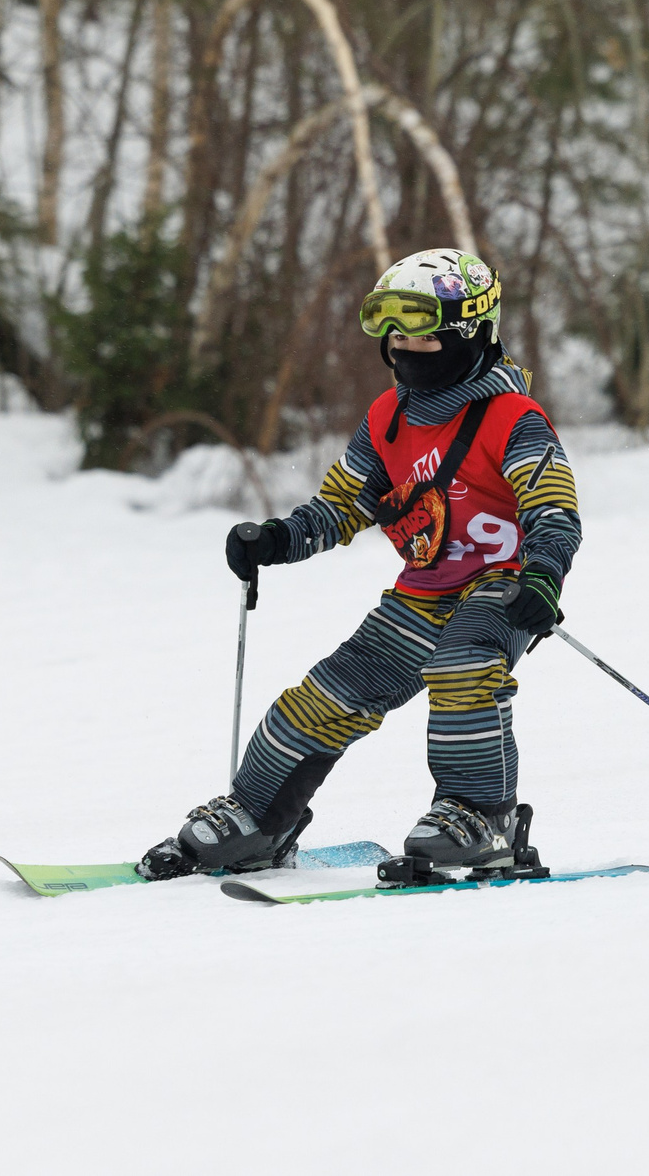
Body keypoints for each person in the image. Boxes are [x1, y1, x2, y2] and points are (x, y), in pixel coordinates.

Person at [139, 248, 581, 879]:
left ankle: (481, 817)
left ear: (468, 330)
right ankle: (259, 818)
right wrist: (278, 538)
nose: (404, 348)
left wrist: (544, 574)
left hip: (503, 587)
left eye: (422, 334)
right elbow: (341, 505)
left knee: (463, 669)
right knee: (326, 695)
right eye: (393, 333)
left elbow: (554, 510)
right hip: (423, 592)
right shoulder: (386, 418)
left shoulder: (513, 420)